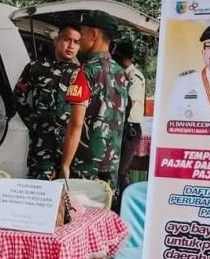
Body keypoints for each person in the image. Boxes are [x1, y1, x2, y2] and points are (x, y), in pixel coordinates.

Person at [58, 10, 128, 193]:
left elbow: (76, 124)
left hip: (85, 164)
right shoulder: (121, 73)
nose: (80, 38)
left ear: (94, 34)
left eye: (83, 32)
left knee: (79, 218)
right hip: (111, 164)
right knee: (103, 216)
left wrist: (65, 164)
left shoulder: (84, 72)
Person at [14, 24, 83, 179]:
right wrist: (33, 121)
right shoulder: (36, 67)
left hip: (69, 147)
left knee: (67, 197)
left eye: (76, 42)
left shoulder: (81, 73)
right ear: (56, 40)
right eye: (67, 39)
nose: (71, 46)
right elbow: (18, 96)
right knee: (39, 193)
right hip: (41, 146)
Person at [112, 40, 146, 194]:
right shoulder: (123, 75)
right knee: (117, 169)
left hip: (129, 129)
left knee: (121, 171)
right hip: (123, 127)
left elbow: (128, 103)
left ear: (123, 58)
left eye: (117, 57)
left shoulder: (134, 77)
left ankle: (122, 204)